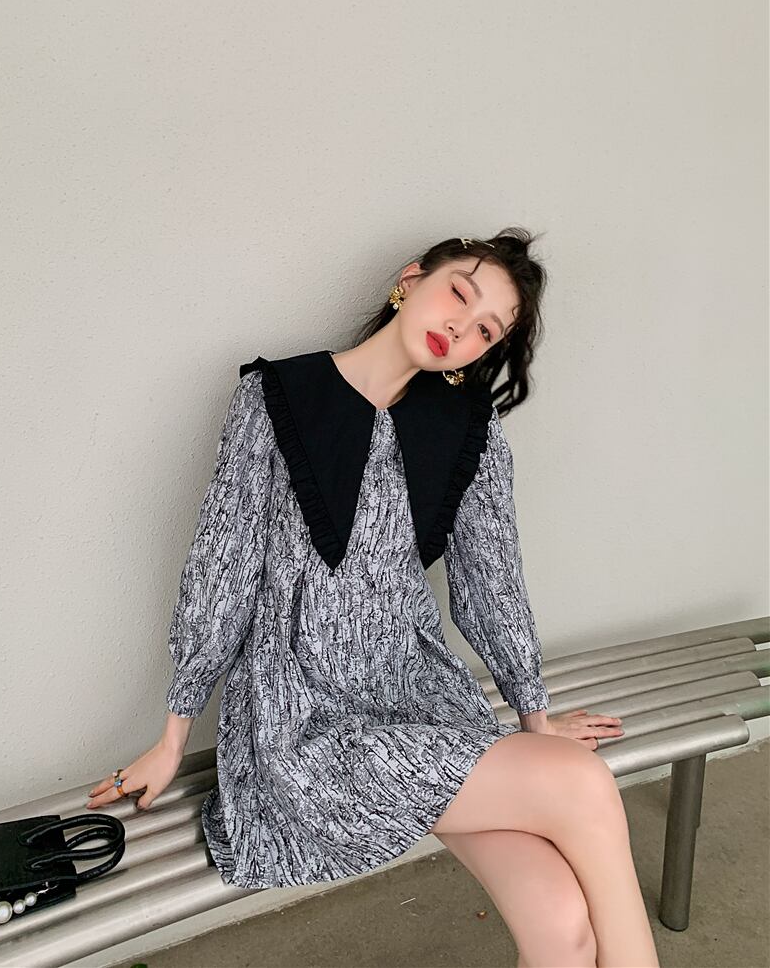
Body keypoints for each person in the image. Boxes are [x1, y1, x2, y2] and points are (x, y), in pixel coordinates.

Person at [87, 229, 660, 968]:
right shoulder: (280, 398)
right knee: (582, 787)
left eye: (487, 330)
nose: (462, 327)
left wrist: (534, 722)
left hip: (422, 706)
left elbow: (493, 584)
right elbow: (222, 570)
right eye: (459, 294)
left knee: (563, 926)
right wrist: (173, 737)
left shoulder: (468, 432)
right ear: (410, 280)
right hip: (308, 729)